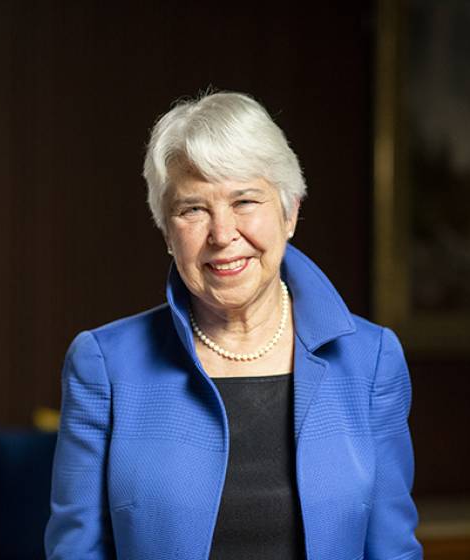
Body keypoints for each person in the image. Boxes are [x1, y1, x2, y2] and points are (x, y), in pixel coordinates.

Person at [44, 91, 422, 560]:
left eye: (244, 201)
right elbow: (75, 551)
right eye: (193, 209)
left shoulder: (371, 359)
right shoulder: (103, 365)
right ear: (166, 230)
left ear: (290, 213)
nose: (222, 235)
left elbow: (393, 551)